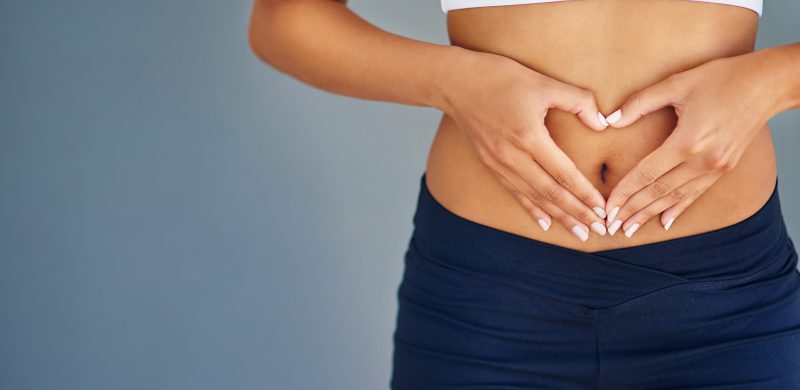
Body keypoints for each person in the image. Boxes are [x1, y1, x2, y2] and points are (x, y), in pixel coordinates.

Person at [248, 0, 800, 387]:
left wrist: (771, 80)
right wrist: (455, 81)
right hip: (485, 298)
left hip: (725, 302)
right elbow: (283, 20)